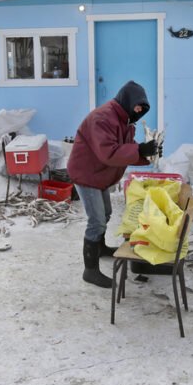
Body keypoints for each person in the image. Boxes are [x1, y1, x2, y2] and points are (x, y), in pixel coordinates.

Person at [67, 81, 162, 288]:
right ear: (127, 101)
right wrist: (139, 151)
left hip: (99, 174)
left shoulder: (124, 120)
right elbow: (109, 152)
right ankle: (89, 270)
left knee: (106, 213)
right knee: (97, 220)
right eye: (137, 106)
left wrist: (146, 153)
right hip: (87, 173)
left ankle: (99, 248)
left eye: (142, 109)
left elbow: (124, 149)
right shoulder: (102, 118)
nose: (139, 111)